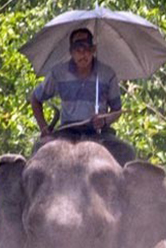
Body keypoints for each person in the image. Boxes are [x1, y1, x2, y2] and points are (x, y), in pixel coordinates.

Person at [29, 27, 135, 164]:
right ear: (71, 52)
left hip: (99, 133)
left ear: (93, 50)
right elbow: (35, 99)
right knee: (38, 149)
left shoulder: (107, 74)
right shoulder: (58, 73)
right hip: (67, 132)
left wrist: (104, 121)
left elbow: (117, 110)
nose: (82, 54)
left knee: (127, 152)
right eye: (78, 50)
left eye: (86, 49)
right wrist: (44, 129)